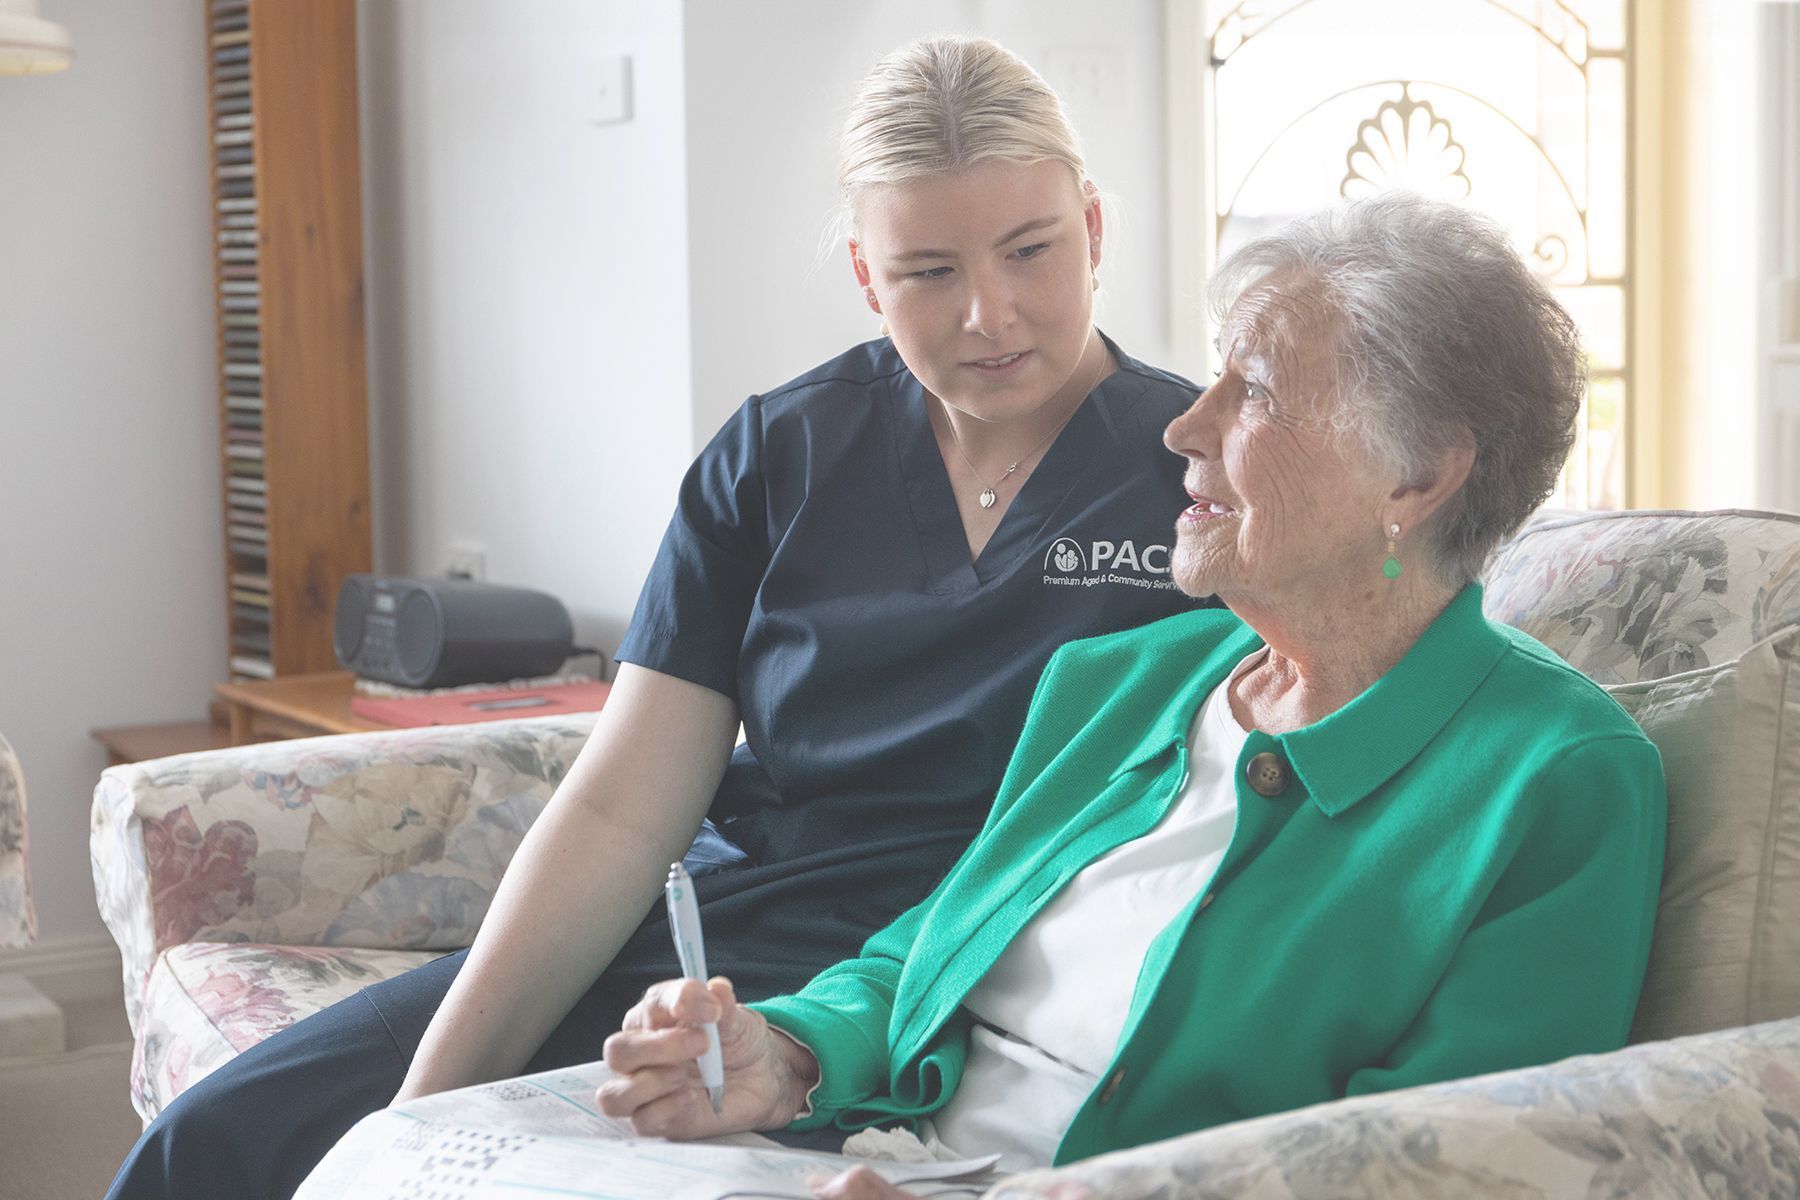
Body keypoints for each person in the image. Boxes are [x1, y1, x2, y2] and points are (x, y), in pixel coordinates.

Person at [106, 36, 1211, 1200]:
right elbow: (624, 813)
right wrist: (419, 1113)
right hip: (723, 942)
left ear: (1092, 227)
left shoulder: (1199, 473)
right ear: (864, 274)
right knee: (226, 1139)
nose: (989, 314)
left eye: (1029, 250)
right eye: (929, 271)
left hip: (989, 961)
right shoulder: (779, 456)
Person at [596, 193, 1668, 1193]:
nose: (1183, 428)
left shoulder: (1560, 779)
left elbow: (1430, 1164)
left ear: (1418, 477)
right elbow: (926, 953)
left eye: (1252, 393)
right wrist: (783, 1056)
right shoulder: (1125, 679)